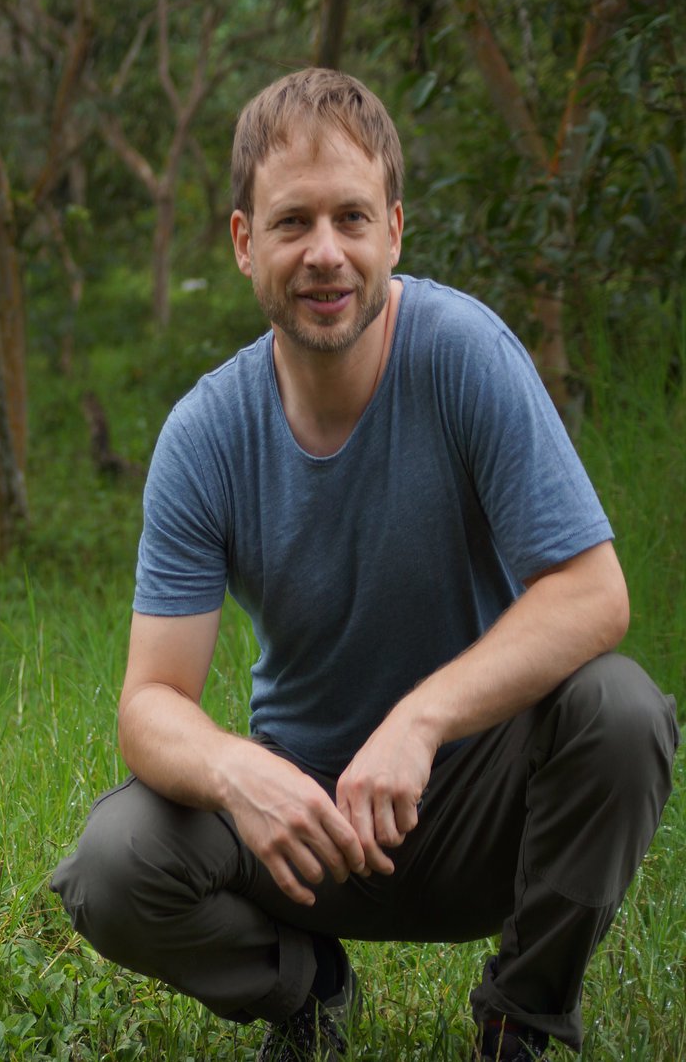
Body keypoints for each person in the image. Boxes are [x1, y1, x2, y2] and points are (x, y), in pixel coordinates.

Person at [49, 68, 678, 1062]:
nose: (325, 253)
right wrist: (235, 770)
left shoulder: (466, 354)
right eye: (292, 222)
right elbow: (149, 702)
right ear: (244, 242)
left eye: (351, 216)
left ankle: (520, 1016)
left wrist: (420, 721)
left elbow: (594, 594)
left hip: (482, 811)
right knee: (112, 863)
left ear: (393, 228)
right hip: (298, 836)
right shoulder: (203, 435)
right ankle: (307, 989)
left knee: (621, 711)